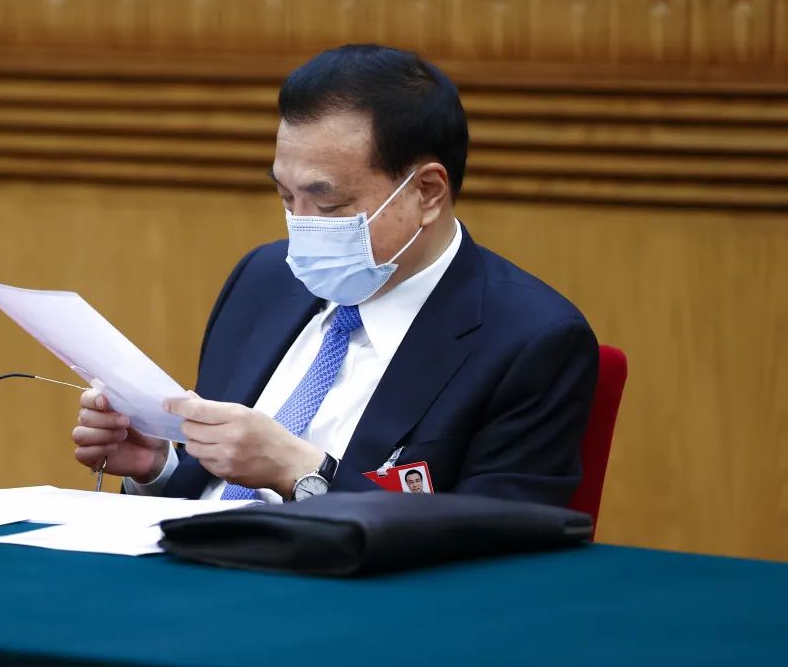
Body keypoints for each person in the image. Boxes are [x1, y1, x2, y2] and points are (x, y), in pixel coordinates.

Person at [72, 44, 599, 507]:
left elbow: (492, 540)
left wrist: (303, 474)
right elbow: (206, 488)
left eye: (328, 205)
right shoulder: (264, 278)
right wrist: (159, 469)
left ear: (428, 193)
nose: (302, 227)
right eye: (287, 198)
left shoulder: (530, 341)